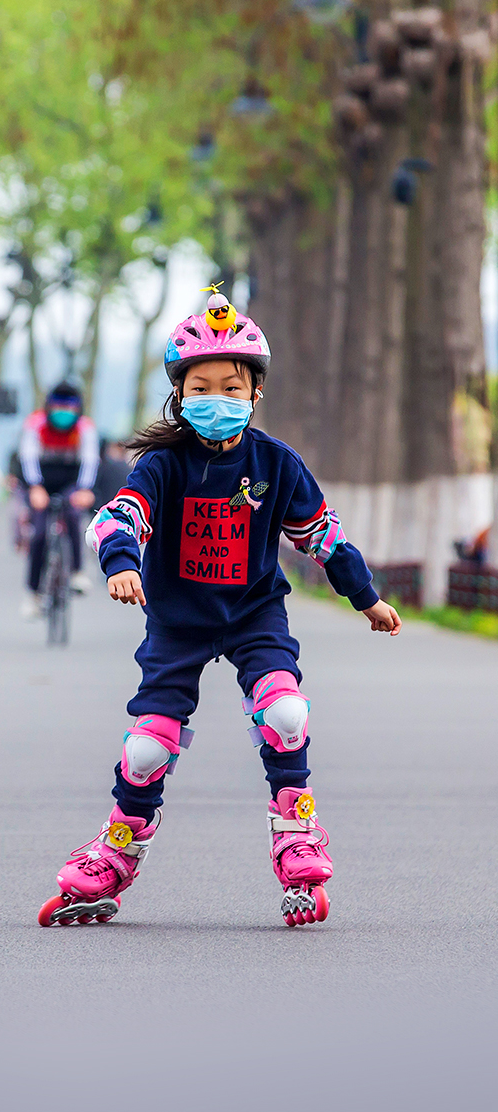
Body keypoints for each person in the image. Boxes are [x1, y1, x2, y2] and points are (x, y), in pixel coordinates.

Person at [38, 287, 401, 929]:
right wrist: (122, 564)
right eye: (201, 388)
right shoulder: (163, 464)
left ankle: (297, 831)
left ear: (255, 392)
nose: (217, 400)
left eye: (232, 388)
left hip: (255, 614)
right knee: (147, 749)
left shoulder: (276, 464)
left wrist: (366, 597)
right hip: (178, 621)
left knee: (285, 711)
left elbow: (322, 535)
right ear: (179, 394)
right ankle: (116, 852)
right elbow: (118, 517)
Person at [18, 381, 99, 619]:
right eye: (58, 406)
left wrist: (84, 489)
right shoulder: (36, 424)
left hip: (70, 481)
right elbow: (28, 457)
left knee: (73, 515)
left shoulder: (85, 428)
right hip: (41, 480)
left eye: (69, 407)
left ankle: (77, 572)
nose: (63, 412)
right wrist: (35, 487)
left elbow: (90, 460)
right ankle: (33, 593)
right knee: (39, 534)